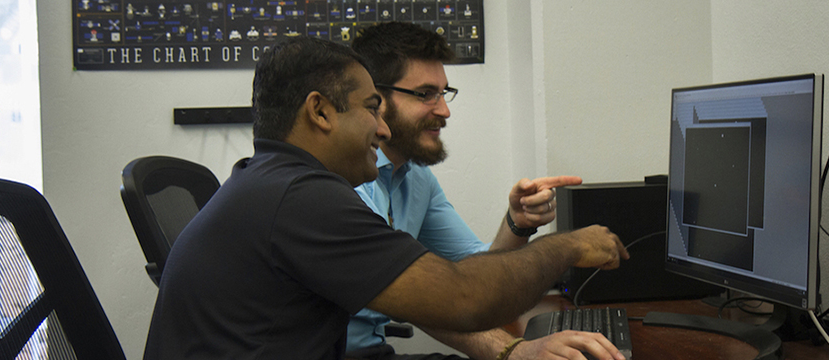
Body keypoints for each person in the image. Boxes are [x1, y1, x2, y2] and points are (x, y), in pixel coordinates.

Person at [142, 36, 628, 360]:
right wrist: (566, 247)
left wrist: (520, 230)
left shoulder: (275, 180)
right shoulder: (301, 198)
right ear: (321, 112)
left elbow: (463, 281)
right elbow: (461, 298)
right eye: (372, 108)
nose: (380, 126)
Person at [346, 21, 599, 360]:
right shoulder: (345, 182)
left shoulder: (416, 178)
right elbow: (440, 298)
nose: (444, 110)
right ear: (376, 99)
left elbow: (475, 270)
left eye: (444, 92)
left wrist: (517, 223)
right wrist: (515, 351)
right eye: (425, 94)